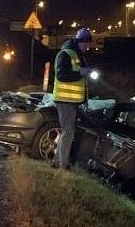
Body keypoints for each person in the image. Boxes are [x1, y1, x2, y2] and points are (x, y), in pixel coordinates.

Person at [51, 28, 92, 169]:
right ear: (80, 42)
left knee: (66, 132)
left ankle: (56, 163)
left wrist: (84, 99)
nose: (88, 46)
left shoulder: (78, 55)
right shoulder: (65, 54)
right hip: (65, 100)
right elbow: (61, 75)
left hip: (72, 101)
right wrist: (80, 73)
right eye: (86, 43)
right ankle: (63, 165)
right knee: (68, 132)